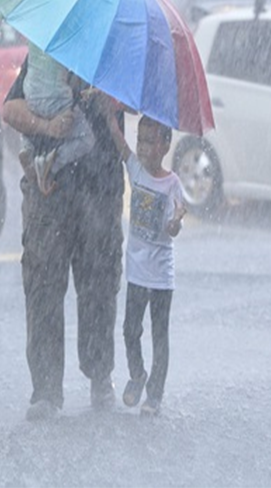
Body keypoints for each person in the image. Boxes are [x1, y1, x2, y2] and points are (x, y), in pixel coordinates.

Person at [3, 58, 125, 422]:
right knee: (42, 286)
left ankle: (100, 374)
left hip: (101, 189)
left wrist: (110, 100)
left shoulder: (114, 55)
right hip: (48, 192)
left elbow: (142, 107)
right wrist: (48, 126)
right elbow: (11, 107)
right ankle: (45, 389)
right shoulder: (49, 48)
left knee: (100, 284)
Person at [105, 110, 185, 418]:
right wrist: (109, 114)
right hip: (136, 271)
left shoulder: (172, 184)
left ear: (165, 145)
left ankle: (155, 394)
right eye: (141, 140)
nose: (142, 147)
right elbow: (120, 143)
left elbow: (171, 230)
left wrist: (176, 221)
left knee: (159, 335)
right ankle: (137, 375)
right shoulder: (135, 169)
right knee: (129, 329)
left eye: (150, 141)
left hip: (161, 275)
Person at [20, 43, 96, 195]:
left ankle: (27, 148)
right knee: (87, 139)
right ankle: (50, 162)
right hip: (57, 99)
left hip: (30, 93)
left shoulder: (37, 37)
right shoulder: (68, 43)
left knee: (29, 117)